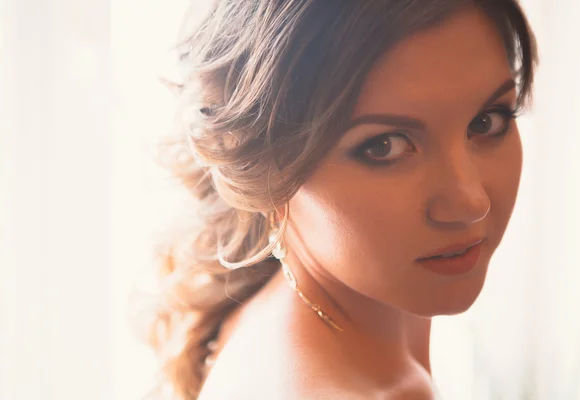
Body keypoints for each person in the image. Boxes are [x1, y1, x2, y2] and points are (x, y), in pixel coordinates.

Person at [138, 0, 537, 398]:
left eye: (488, 121)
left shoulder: (293, 310)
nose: (471, 202)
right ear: (265, 170)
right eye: (385, 146)